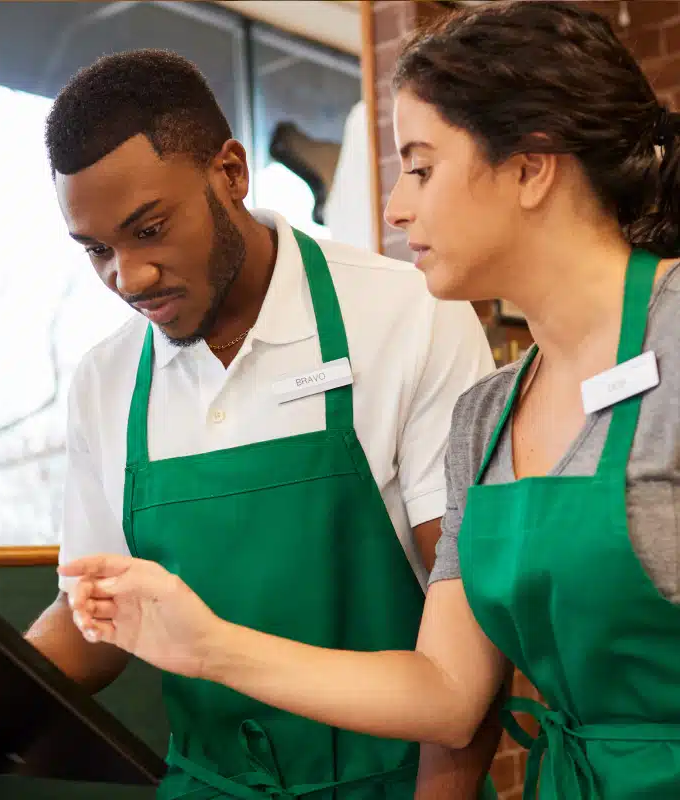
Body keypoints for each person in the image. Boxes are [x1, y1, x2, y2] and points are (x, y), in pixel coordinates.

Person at [62, 2, 680, 798]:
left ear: (531, 167)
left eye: (421, 167)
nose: (393, 207)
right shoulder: (488, 417)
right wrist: (207, 645)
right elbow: (450, 696)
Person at [24, 49, 500, 800]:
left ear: (232, 173)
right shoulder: (104, 382)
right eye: (97, 251)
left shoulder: (407, 316)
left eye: (149, 229)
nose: (129, 277)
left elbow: (474, 627)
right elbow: (94, 623)